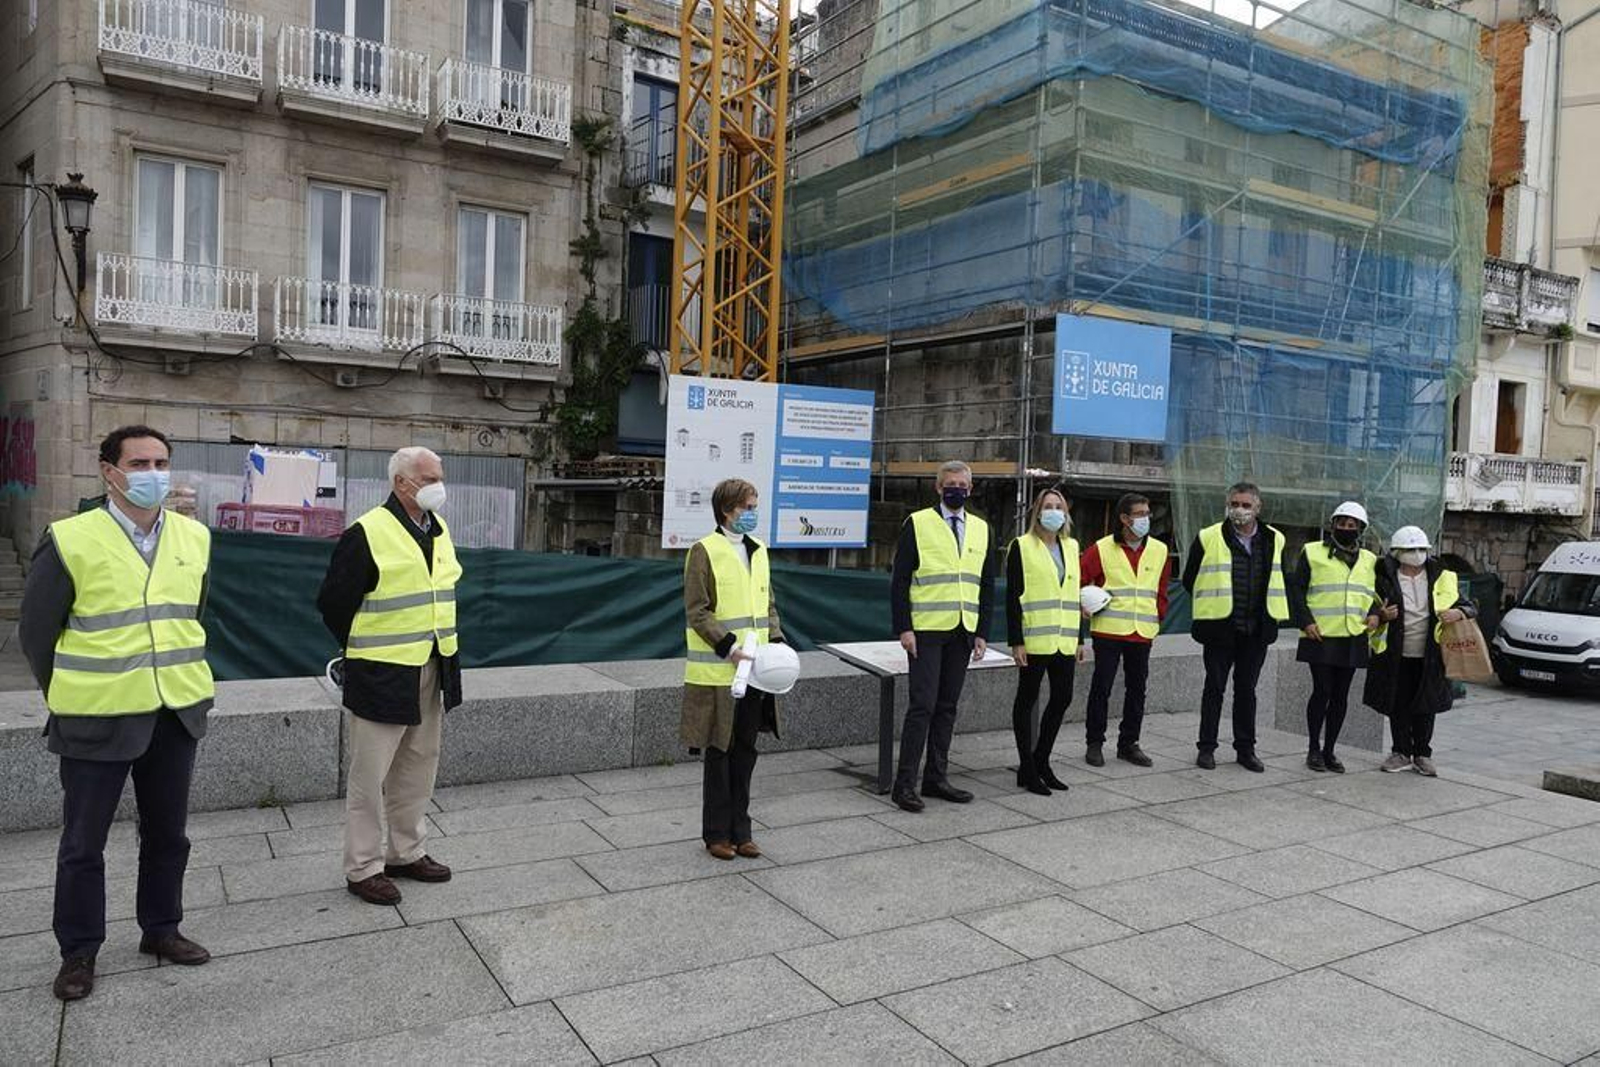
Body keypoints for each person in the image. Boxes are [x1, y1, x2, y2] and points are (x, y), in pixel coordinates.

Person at [19, 426, 215, 1001]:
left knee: (168, 835)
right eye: (139, 462)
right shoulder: (71, 538)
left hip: (174, 710)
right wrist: (68, 692)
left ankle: (162, 929)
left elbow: (194, 614)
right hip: (96, 716)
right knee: (84, 843)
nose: (153, 472)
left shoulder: (194, 537)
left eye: (161, 461)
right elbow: (36, 633)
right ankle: (78, 951)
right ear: (109, 471)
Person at [318, 447, 463, 906]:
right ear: (402, 482)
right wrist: (364, 651)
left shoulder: (437, 529)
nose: (439, 484)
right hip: (382, 672)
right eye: (429, 476)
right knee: (370, 774)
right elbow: (334, 603)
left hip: (433, 664)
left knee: (418, 766)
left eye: (439, 475)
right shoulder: (366, 532)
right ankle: (363, 867)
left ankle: (407, 852)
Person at [682, 478, 785, 859]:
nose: (753, 513)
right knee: (720, 752)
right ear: (727, 510)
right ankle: (716, 836)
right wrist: (728, 647)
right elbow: (697, 610)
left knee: (746, 750)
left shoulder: (758, 551)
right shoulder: (703, 551)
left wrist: (776, 643)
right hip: (718, 672)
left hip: (756, 672)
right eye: (748, 506)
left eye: (754, 506)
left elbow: (767, 605)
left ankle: (742, 832)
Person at [889, 460, 995, 812]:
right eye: (950, 484)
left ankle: (936, 777)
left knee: (947, 707)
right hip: (927, 630)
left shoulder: (981, 528)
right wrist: (904, 627)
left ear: (971, 487)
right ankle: (904, 785)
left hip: (963, 630)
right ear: (938, 488)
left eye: (962, 485)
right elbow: (900, 579)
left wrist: (982, 631)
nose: (957, 490)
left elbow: (987, 584)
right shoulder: (917, 523)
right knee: (923, 706)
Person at [1180, 481, 1286, 773]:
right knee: (1214, 688)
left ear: (1258, 507)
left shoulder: (1275, 538)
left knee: (1246, 690)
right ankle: (1206, 748)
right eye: (1235, 504)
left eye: (1246, 505)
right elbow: (1190, 579)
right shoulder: (1208, 536)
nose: (1239, 510)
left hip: (1256, 629)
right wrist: (1215, 603)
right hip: (1220, 628)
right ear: (1227, 505)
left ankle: (1246, 749)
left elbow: (1279, 577)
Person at [1287, 500, 1394, 773]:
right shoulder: (1312, 552)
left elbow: (1376, 593)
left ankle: (1330, 750)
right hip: (1320, 634)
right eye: (1342, 523)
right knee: (1321, 691)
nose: (1346, 528)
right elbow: (1296, 591)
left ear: (1360, 528)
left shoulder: (1371, 560)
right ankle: (1313, 749)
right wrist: (1305, 622)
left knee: (1341, 696)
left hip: (1354, 634)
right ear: (1332, 525)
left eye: (1352, 525)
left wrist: (1375, 614)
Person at [1364, 526, 1475, 777]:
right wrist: (1380, 615)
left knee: (1427, 704)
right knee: (1398, 703)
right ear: (1397, 553)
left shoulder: (1441, 576)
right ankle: (1400, 752)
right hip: (1395, 653)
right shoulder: (1384, 576)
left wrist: (1458, 612)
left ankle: (1422, 754)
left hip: (1431, 655)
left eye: (1420, 549)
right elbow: (1370, 607)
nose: (1416, 554)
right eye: (1410, 550)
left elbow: (1468, 606)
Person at [1080, 493, 1170, 767]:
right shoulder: (1101, 548)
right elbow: (1081, 581)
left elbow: (1161, 589)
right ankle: (1094, 743)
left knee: (1137, 689)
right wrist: (1085, 603)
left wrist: (1158, 617)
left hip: (1142, 631)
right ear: (1124, 518)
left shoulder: (1159, 550)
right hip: (1108, 630)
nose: (1146, 518)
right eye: (1140, 513)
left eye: (1147, 513)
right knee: (1101, 688)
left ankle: (1129, 744)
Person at [1006, 485, 1086, 795]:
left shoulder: (1071, 546)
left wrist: (1080, 638)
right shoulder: (1022, 546)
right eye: (1048, 506)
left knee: (1062, 698)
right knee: (1026, 701)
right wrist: (1016, 641)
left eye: (1059, 506)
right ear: (1038, 512)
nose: (1054, 511)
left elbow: (1074, 594)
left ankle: (1042, 760)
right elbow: (1013, 597)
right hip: (1034, 638)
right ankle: (1026, 766)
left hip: (1065, 638)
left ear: (1066, 513)